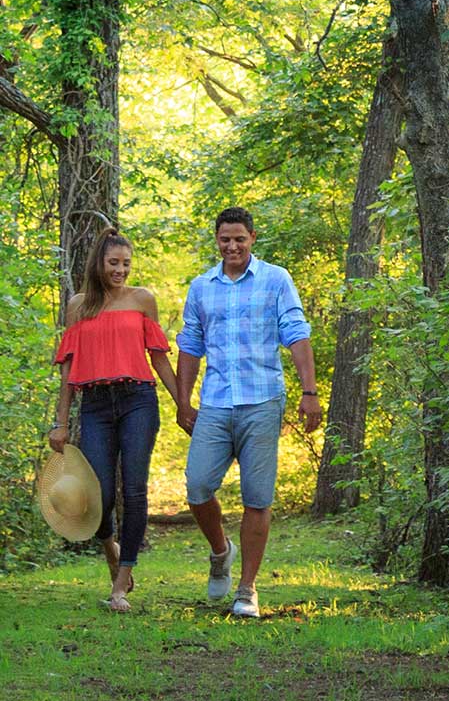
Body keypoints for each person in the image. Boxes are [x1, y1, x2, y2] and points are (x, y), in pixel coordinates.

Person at [176, 206, 322, 618]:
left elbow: (296, 332)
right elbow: (190, 344)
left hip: (263, 401)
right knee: (197, 485)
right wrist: (183, 401)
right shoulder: (202, 286)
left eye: (240, 238)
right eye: (225, 239)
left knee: (257, 498)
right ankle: (221, 550)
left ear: (252, 238)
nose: (233, 246)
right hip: (217, 402)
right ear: (217, 241)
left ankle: (247, 589)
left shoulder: (275, 279)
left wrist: (309, 391)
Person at [49, 227, 180, 612]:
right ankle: (110, 547)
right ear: (99, 263)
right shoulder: (79, 305)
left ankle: (121, 582)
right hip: (95, 406)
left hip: (138, 399)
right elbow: (68, 371)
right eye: (114, 263)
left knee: (135, 491)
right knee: (97, 495)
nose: (121, 270)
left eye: (126, 263)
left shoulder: (142, 300)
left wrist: (184, 405)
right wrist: (60, 422)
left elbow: (158, 358)